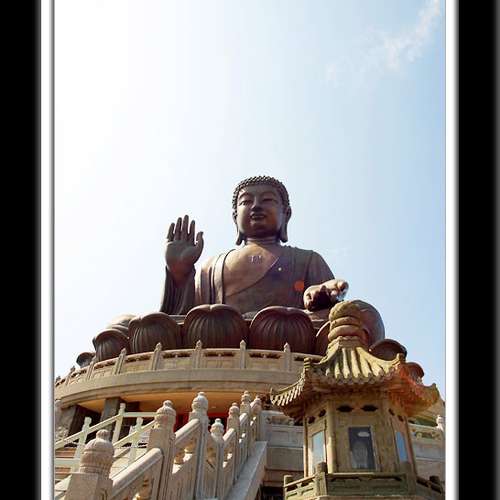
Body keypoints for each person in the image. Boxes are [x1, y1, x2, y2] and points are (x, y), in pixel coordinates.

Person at [160, 176, 348, 316]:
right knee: (142, 326)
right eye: (246, 201)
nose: (256, 206)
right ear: (235, 217)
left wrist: (321, 296)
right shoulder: (211, 266)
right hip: (219, 335)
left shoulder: (307, 260)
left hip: (290, 332)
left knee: (356, 311)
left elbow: (333, 311)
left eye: (267, 200)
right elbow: (186, 318)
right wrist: (179, 274)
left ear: (286, 214)